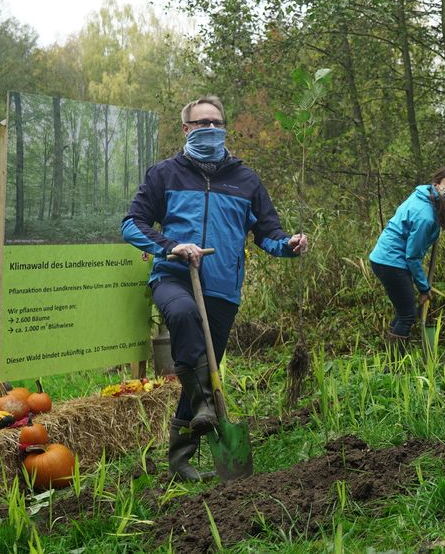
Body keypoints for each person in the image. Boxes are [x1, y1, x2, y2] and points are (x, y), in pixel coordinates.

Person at [122, 95, 310, 481]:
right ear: (186, 129)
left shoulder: (245, 179)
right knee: (182, 314)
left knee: (203, 369)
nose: (210, 129)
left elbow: (268, 233)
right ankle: (205, 403)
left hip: (223, 288)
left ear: (224, 128)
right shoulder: (165, 174)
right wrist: (170, 246)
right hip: (173, 276)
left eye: (216, 123)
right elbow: (132, 223)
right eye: (201, 123)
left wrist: (288, 244)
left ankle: (180, 460)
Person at [369, 167, 445, 341]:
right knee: (408, 315)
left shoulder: (422, 195)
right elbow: (412, 257)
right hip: (391, 261)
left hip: (384, 258)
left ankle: (391, 357)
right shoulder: (426, 216)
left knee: (403, 310)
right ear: (436, 184)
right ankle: (393, 365)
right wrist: (424, 288)